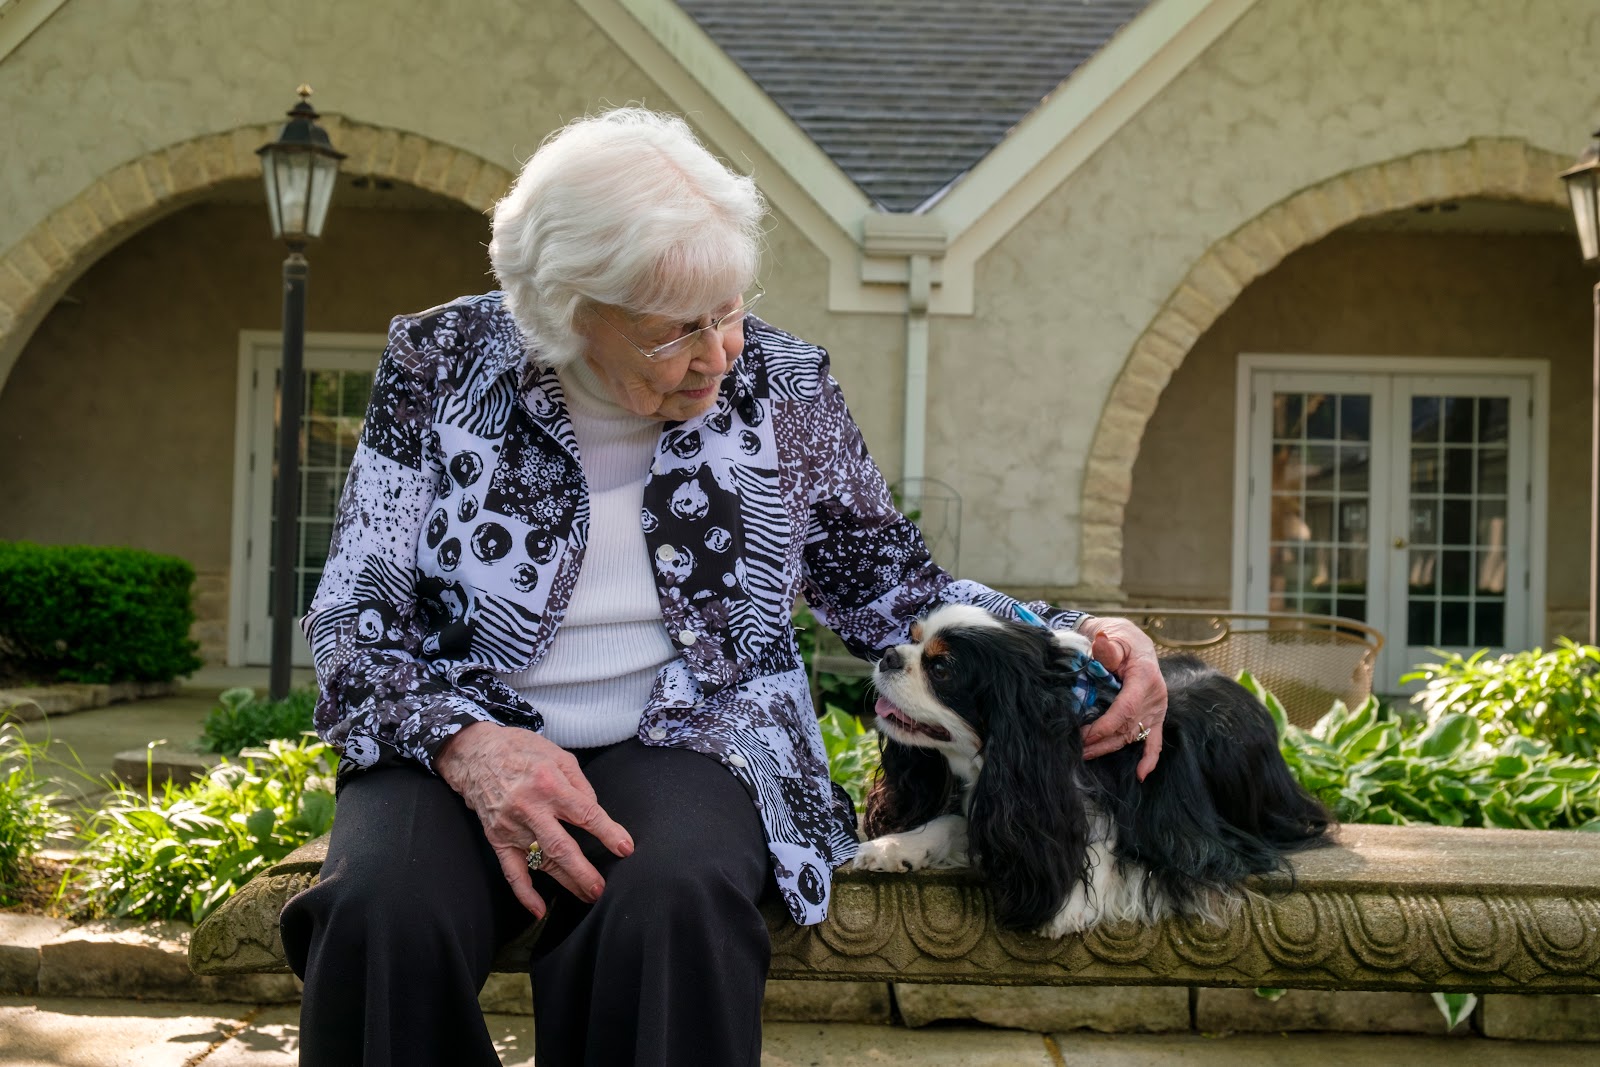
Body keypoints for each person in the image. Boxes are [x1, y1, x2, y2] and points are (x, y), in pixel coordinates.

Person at [279, 106, 1169, 1067]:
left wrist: (1077, 636)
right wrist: (472, 746)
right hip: (461, 729)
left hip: (696, 726)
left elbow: (884, 580)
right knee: (380, 916)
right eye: (674, 332)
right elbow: (354, 617)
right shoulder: (440, 363)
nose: (718, 353)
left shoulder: (782, 384)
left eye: (729, 309)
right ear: (567, 311)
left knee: (672, 905)